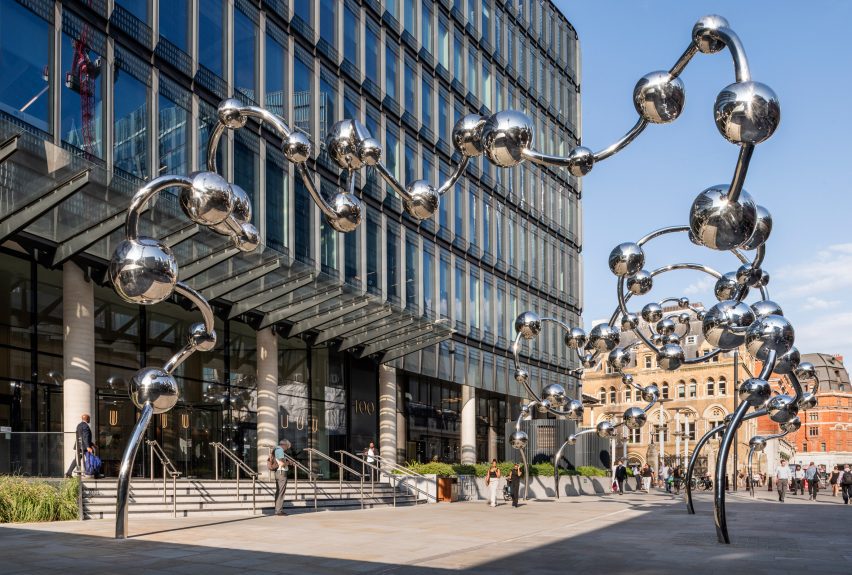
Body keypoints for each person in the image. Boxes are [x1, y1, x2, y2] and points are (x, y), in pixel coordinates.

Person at [65, 413, 94, 478]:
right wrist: (88, 446)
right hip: (84, 447)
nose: (89, 420)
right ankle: (89, 473)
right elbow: (85, 437)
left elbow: (81, 436)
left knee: (76, 460)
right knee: (90, 459)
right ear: (87, 419)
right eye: (89, 418)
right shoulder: (86, 426)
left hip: (79, 446)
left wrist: (92, 444)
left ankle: (68, 473)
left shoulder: (79, 425)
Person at [273, 439, 291, 516]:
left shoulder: (276, 449)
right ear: (284, 445)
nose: (287, 449)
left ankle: (278, 509)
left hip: (277, 472)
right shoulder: (280, 450)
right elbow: (281, 463)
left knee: (278, 491)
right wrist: (289, 462)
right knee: (281, 492)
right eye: (287, 447)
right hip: (281, 472)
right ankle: (278, 510)